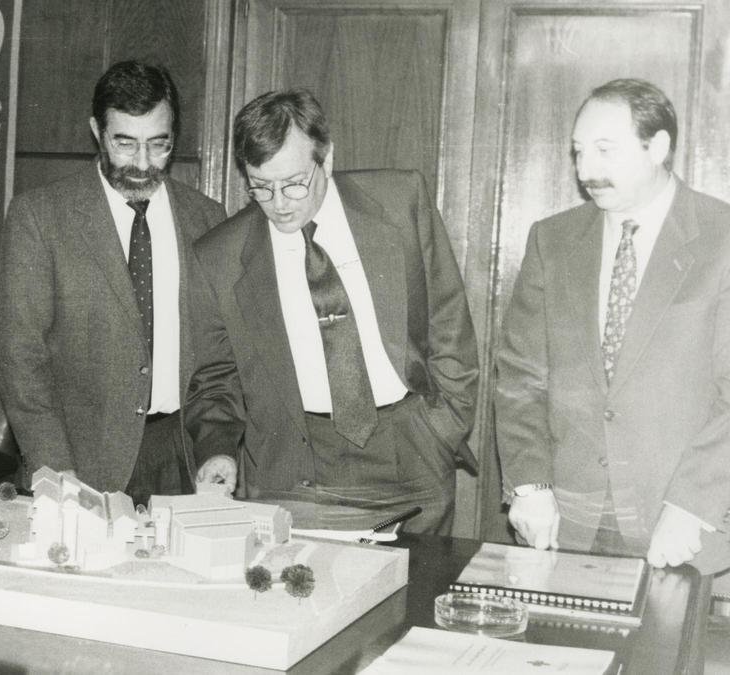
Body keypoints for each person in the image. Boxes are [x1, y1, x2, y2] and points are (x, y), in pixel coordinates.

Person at [185, 89, 478, 534]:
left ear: (328, 158)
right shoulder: (219, 256)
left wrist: (442, 429)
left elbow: (448, 321)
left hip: (410, 446)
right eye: (260, 187)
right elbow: (216, 378)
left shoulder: (400, 202)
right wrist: (218, 449)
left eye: (294, 182)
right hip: (296, 463)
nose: (279, 203)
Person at [496, 78, 730, 570]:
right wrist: (529, 484)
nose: (586, 171)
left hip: (681, 524)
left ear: (659, 146)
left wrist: (692, 505)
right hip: (565, 521)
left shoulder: (721, 239)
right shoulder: (552, 240)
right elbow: (520, 377)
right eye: (579, 152)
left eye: (605, 150)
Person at [0, 61, 225, 505]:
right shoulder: (40, 217)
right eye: (125, 144)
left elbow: (219, 358)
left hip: (183, 458)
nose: (142, 164)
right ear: (96, 131)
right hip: (79, 461)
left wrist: (215, 449)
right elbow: (21, 359)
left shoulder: (207, 219)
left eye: (159, 145)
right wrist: (55, 469)